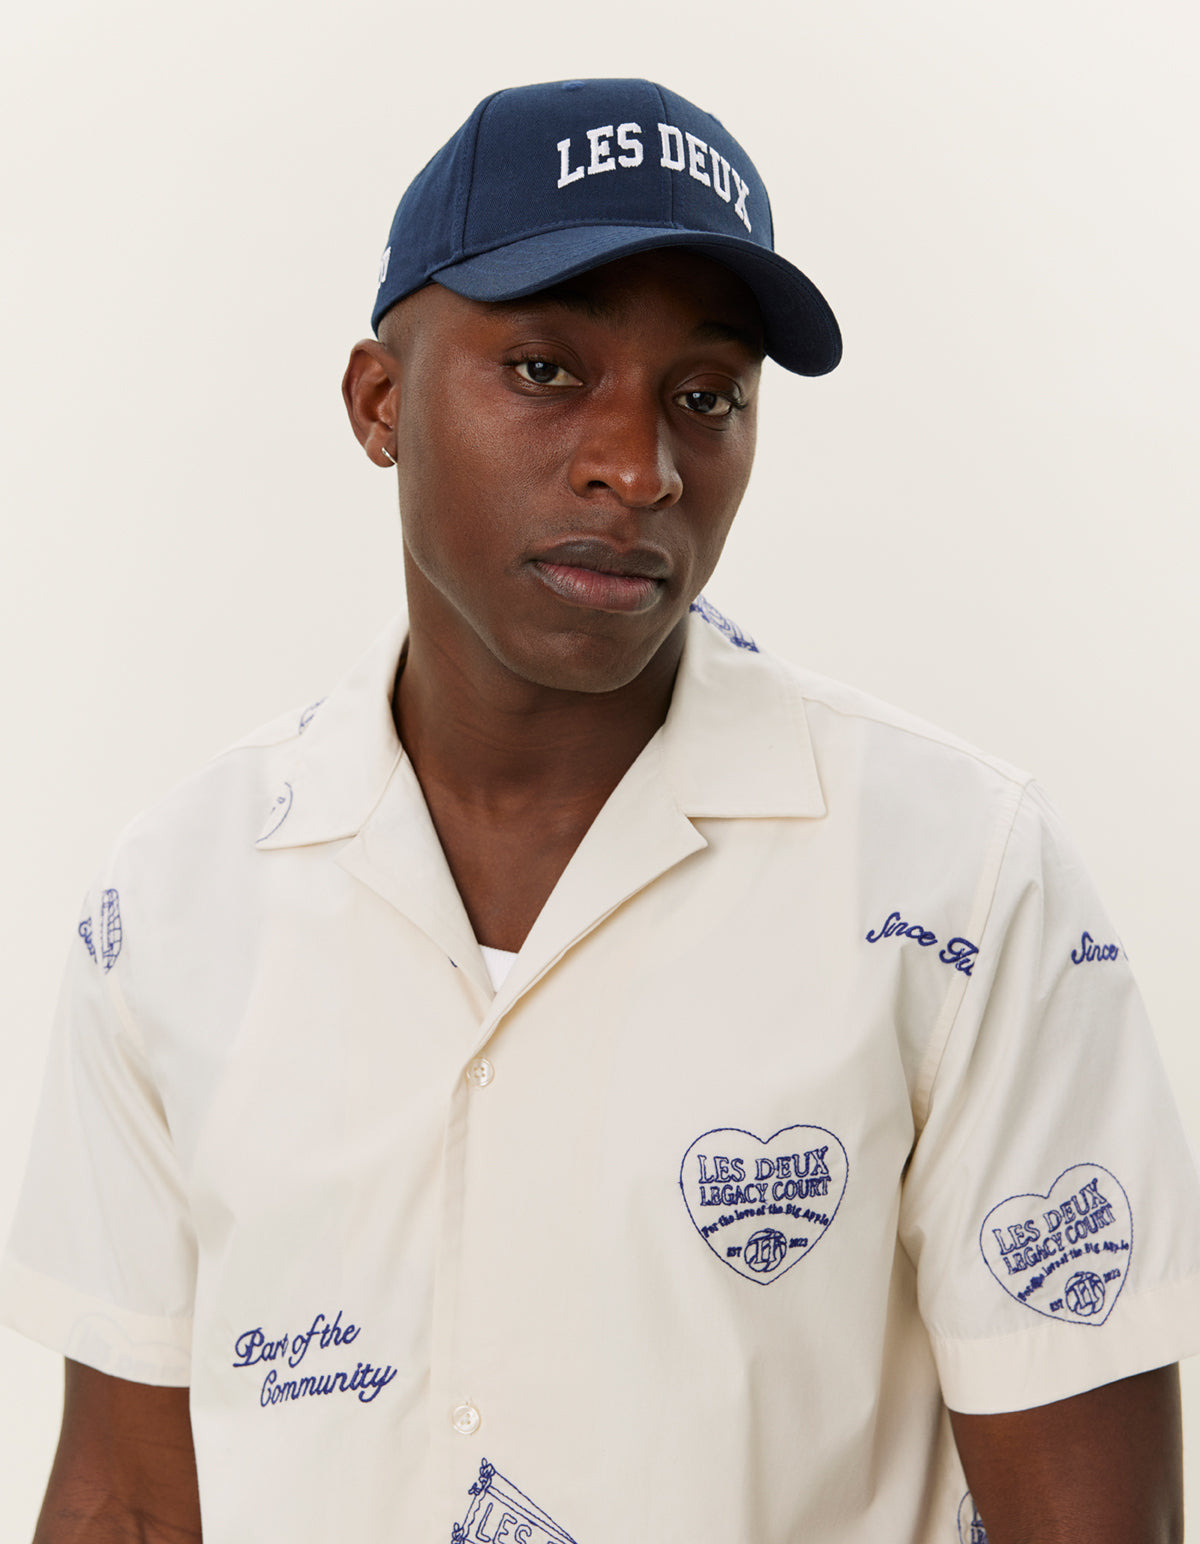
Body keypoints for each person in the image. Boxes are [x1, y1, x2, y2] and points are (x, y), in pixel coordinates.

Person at [3, 76, 1199, 1544]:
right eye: (545, 370)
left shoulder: (959, 877)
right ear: (381, 403)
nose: (639, 468)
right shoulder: (176, 902)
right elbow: (128, 1497)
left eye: (706, 397)